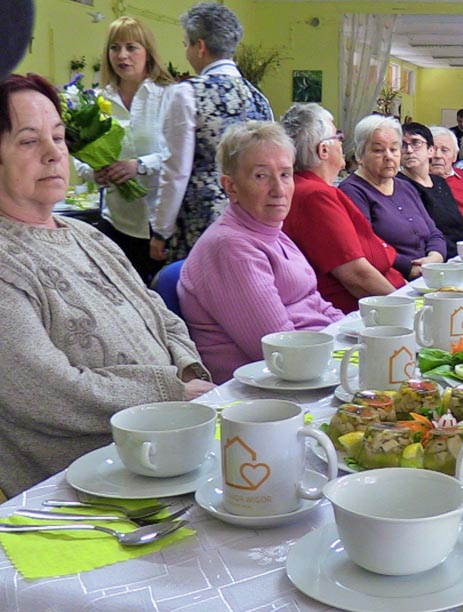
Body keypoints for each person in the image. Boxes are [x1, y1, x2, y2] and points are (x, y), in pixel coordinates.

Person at [0, 74, 213, 496]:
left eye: (59, 138)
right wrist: (171, 391)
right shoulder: (7, 260)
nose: (52, 153)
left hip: (166, 453)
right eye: (29, 141)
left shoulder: (89, 236)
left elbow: (161, 316)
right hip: (85, 489)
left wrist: (188, 373)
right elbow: (47, 393)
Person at [178, 121, 343, 383]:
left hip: (311, 366)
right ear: (231, 187)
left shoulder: (270, 230)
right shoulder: (231, 248)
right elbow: (279, 350)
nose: (278, 190)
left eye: (286, 174)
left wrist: (350, 336)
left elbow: (317, 302)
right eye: (261, 176)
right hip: (269, 391)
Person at [152, 2, 273, 263]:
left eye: (186, 44)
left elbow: (176, 171)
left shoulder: (187, 93)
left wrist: (161, 229)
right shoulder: (259, 98)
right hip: (252, 219)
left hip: (202, 222)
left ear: (200, 46)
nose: (186, 51)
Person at [73, 17, 173, 283]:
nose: (122, 55)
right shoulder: (97, 99)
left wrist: (139, 165)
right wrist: (94, 173)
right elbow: (78, 153)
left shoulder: (168, 95)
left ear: (148, 52)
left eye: (131, 47)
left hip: (159, 225)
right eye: (115, 48)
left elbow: (179, 156)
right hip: (116, 222)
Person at [281, 103, 406, 313]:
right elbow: (357, 276)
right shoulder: (315, 196)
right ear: (323, 150)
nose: (342, 142)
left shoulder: (312, 189)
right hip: (362, 315)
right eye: (338, 136)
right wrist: (408, 311)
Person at [341, 115, 446, 279]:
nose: (389, 156)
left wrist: (434, 258)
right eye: (378, 150)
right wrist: (409, 267)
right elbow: (369, 246)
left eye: (394, 149)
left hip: (429, 273)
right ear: (360, 155)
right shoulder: (352, 191)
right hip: (393, 281)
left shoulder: (405, 186)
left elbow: (434, 233)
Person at [397, 121, 463, 258]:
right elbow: (423, 234)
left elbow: (459, 225)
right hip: (436, 257)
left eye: (416, 143)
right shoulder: (399, 184)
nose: (409, 150)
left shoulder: (439, 181)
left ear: (430, 150)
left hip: (461, 255)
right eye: (403, 145)